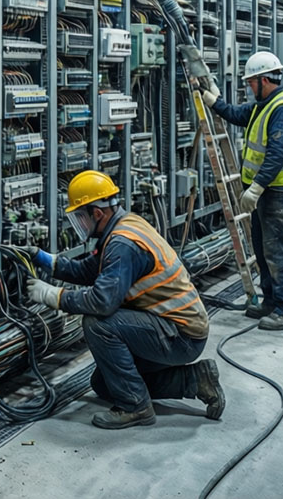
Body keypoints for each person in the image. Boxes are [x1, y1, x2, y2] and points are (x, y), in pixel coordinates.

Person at [18, 170, 224, 430]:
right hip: (173, 330)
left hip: (179, 336)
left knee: (98, 323)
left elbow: (102, 302)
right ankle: (196, 379)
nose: (79, 224)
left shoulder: (122, 244)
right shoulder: (125, 225)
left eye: (80, 216)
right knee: (104, 384)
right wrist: (43, 258)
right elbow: (88, 270)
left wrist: (52, 296)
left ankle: (136, 408)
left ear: (97, 213)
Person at [201, 51, 283, 331]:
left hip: (279, 190)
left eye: (251, 83)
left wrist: (257, 187)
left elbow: (277, 153)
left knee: (278, 249)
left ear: (263, 80)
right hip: (267, 191)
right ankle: (272, 301)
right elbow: (237, 115)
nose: (249, 87)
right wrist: (215, 102)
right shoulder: (265, 105)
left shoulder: (281, 109)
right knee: (262, 248)